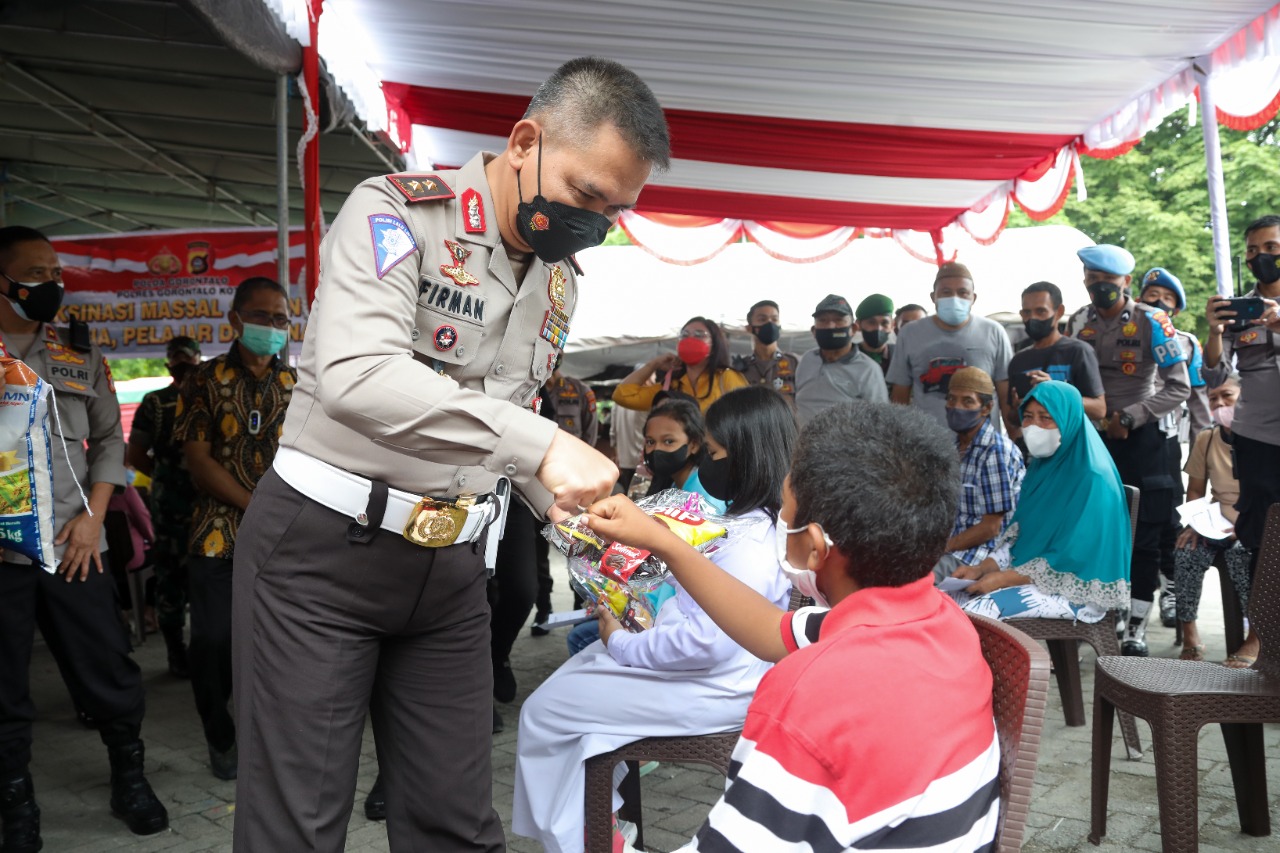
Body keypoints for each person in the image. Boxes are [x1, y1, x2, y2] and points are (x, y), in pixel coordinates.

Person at [230, 57, 670, 852]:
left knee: (456, 823)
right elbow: (357, 376)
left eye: (616, 211)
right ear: (525, 140)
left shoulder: (559, 283)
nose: (594, 223)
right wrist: (544, 442)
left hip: (452, 566)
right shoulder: (395, 213)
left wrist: (564, 501)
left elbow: (498, 417)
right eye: (585, 195)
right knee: (298, 823)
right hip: (322, 556)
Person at [585, 402, 1000, 852]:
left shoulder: (810, 695)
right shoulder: (934, 619)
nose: (780, 521)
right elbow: (768, 628)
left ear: (816, 548)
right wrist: (664, 543)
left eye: (784, 509)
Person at [512, 385, 797, 853]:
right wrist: (635, 619)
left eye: (714, 452)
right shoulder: (752, 524)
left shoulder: (748, 543)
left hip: (709, 687)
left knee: (545, 712)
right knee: (580, 697)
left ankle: (578, 838)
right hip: (713, 675)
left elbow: (705, 642)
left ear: (746, 456)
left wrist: (621, 643)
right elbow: (696, 613)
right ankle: (597, 826)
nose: (706, 463)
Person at [0, 225, 168, 849]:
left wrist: (96, 516)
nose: (52, 282)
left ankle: (130, 776)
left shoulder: (78, 352)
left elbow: (109, 441)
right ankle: (17, 805)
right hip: (1, 553)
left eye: (56, 270)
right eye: (36, 271)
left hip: (76, 544)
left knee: (106, 668)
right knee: (5, 686)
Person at [174, 276, 295, 781]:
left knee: (282, 641)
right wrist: (253, 505)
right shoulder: (201, 380)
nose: (273, 327)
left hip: (288, 536)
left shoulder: (297, 385)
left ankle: (272, 733)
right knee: (212, 640)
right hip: (218, 532)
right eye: (263, 317)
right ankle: (219, 731)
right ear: (236, 321)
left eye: (281, 319)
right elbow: (199, 463)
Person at [1074, 244, 1190, 655]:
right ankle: (1109, 616)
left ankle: (1136, 628)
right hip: (1094, 441)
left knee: (1143, 537)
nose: (1099, 285)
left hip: (1142, 441)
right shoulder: (1077, 322)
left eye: (1108, 279)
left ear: (1126, 281)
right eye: (1092, 277)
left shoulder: (1154, 321)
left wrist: (1130, 417)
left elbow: (1179, 386)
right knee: (1102, 533)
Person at [950, 381, 1131, 623]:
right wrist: (982, 569)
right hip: (1030, 578)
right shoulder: (1041, 468)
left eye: (1046, 418)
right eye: (1028, 417)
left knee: (980, 611)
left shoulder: (1093, 478)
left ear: (1069, 419)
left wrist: (1003, 579)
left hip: (1077, 590)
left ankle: (998, 663)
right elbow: (1019, 536)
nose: (1035, 426)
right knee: (950, 600)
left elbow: (1073, 556)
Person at [1203, 213, 1280, 669]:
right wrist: (1214, 332)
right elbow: (1214, 373)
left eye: (1270, 247)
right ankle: (1261, 634)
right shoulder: (1239, 309)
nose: (1260, 257)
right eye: (1253, 250)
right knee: (1260, 534)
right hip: (1257, 438)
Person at [1138, 266, 1210, 628]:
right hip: (1126, 440)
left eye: (1167, 299)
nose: (1159, 302)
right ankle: (1133, 599)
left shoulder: (1187, 343)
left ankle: (1171, 590)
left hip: (1165, 440)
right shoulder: (1125, 332)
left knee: (1168, 516)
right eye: (1152, 295)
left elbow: (1198, 404)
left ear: (1177, 310)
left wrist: (1202, 457)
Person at [126, 335, 201, 678]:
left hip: (209, 503)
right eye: (179, 357)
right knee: (173, 578)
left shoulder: (211, 395)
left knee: (205, 579)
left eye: (187, 356)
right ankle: (178, 654)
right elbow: (135, 454)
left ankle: (202, 651)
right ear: (170, 363)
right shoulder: (155, 403)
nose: (183, 363)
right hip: (173, 508)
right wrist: (167, 476)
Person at [1173, 376, 1252, 661]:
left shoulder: (1263, 439)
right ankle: (1191, 636)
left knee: (1243, 555)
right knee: (1185, 551)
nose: (1219, 403)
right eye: (1213, 398)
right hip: (1217, 523)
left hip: (1254, 525)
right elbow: (1195, 490)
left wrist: (1244, 526)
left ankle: (1254, 637)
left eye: (1226, 396)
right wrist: (1196, 522)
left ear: (1244, 396)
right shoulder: (1206, 438)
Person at [888, 262, 1013, 431]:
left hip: (981, 446)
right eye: (946, 292)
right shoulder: (910, 333)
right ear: (934, 297)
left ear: (973, 298)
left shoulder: (993, 332)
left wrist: (1014, 440)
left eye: (963, 293)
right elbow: (899, 396)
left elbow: (1005, 394)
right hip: (927, 442)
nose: (955, 298)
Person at [934, 367, 1025, 580]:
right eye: (952, 400)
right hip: (952, 547)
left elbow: (991, 528)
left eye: (967, 402)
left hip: (979, 555)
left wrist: (941, 548)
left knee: (911, 583)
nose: (956, 407)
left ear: (987, 408)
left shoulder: (995, 451)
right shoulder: (954, 447)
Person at [530, 360, 599, 636]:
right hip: (530, 486)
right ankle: (543, 610)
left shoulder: (579, 391)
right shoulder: (526, 388)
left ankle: (580, 610)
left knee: (577, 549)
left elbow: (590, 436)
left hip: (571, 488)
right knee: (537, 554)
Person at [1005, 281, 1106, 440]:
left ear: (1059, 312)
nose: (1033, 318)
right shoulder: (1018, 360)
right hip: (1034, 451)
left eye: (1041, 311)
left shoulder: (1078, 351)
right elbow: (1012, 417)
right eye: (1026, 312)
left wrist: (1056, 392)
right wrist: (1020, 407)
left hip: (1072, 447)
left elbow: (1099, 409)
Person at [613, 317, 747, 413]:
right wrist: (653, 365)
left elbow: (748, 419)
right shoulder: (671, 387)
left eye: (699, 335)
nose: (690, 339)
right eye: (684, 335)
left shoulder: (727, 378)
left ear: (715, 346)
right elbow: (622, 395)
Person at [793, 293, 888, 425]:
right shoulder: (807, 360)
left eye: (839, 320)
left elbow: (881, 419)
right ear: (814, 331)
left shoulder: (868, 369)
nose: (831, 326)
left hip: (846, 444)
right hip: (801, 442)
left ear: (853, 329)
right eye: (823, 320)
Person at [732, 299, 800, 404]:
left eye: (774, 319)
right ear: (749, 328)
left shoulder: (794, 362)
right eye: (762, 319)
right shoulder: (740, 367)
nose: (770, 323)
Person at [854, 292, 895, 376]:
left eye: (884, 323)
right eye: (871, 322)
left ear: (892, 325)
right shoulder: (848, 355)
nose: (878, 329)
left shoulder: (900, 355)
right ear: (858, 325)